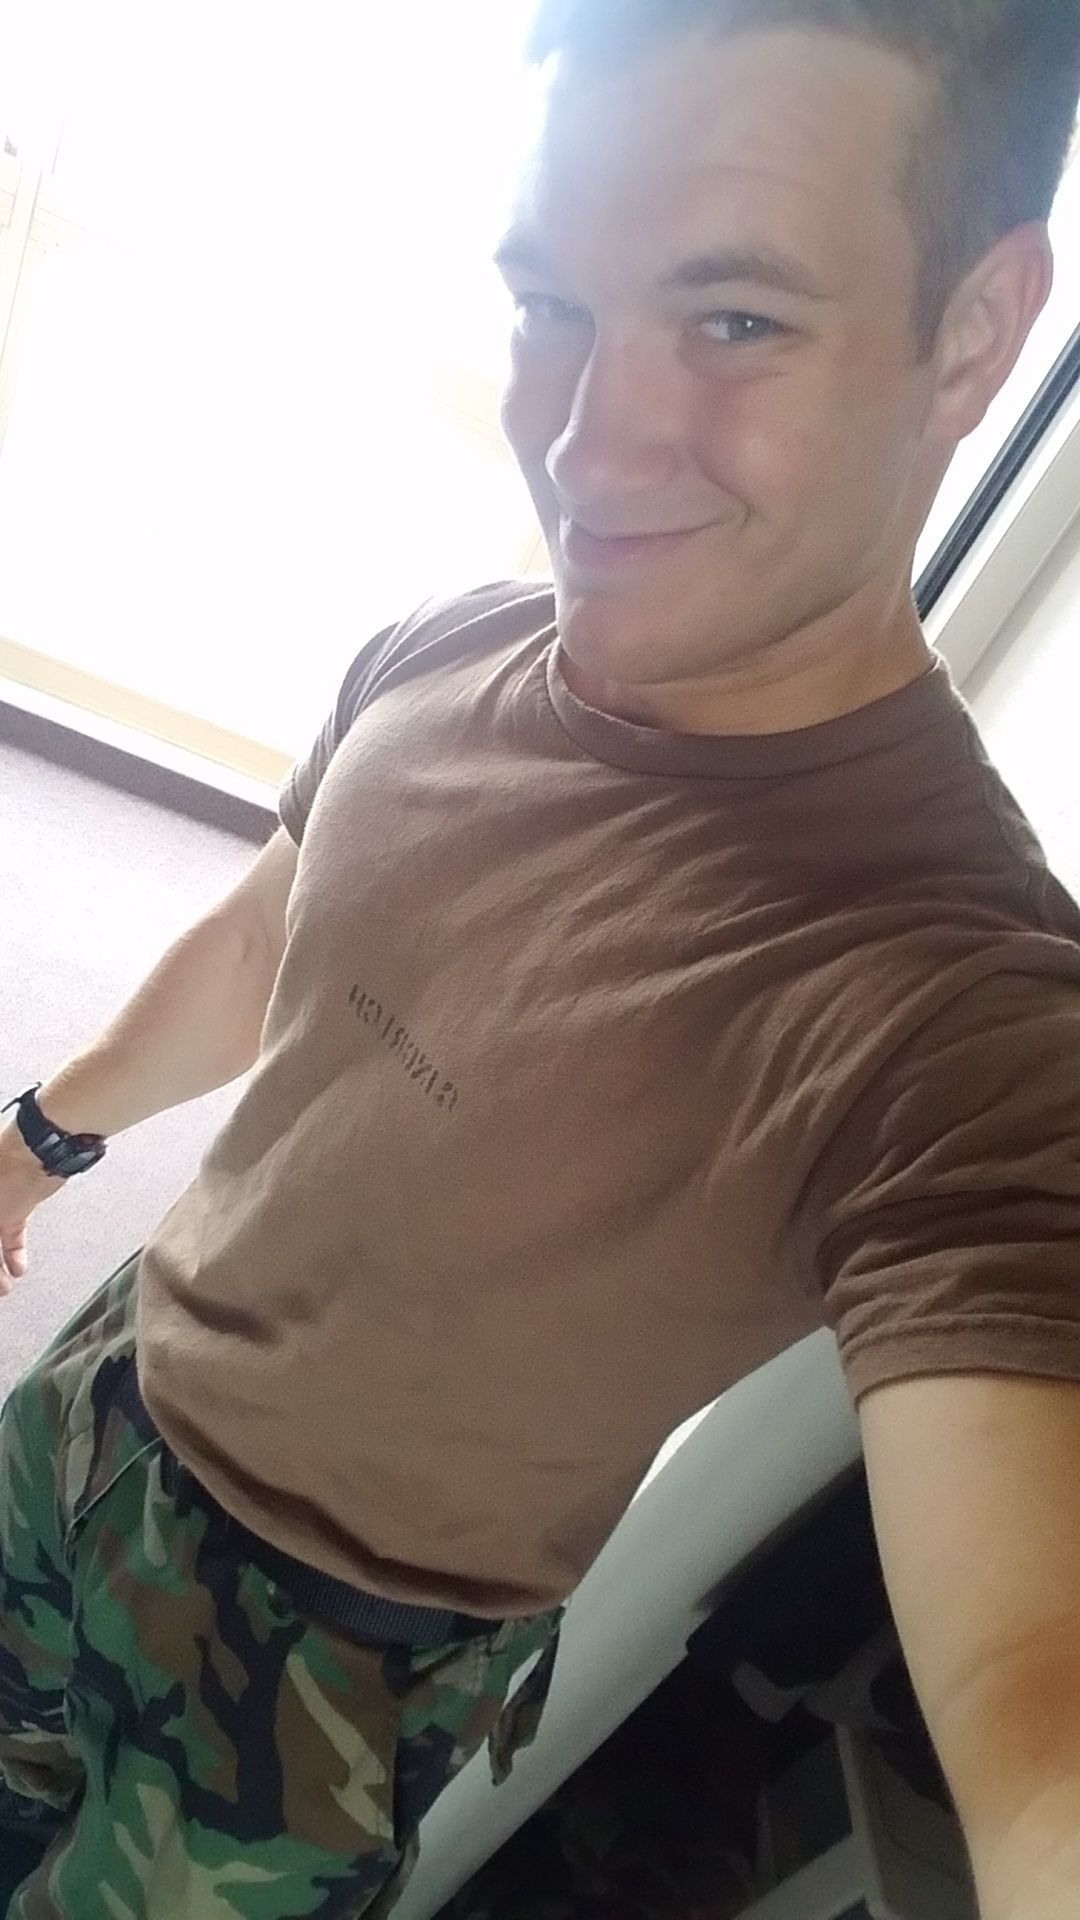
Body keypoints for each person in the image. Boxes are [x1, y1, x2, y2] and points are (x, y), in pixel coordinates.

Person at [2, 1, 1080, 1914]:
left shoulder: (965, 1013)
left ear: (979, 330)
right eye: (551, 300)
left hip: (319, 1689)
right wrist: (39, 1140)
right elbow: (264, 943)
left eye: (733, 318)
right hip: (103, 1396)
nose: (585, 440)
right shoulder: (453, 643)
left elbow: (1033, 1700)